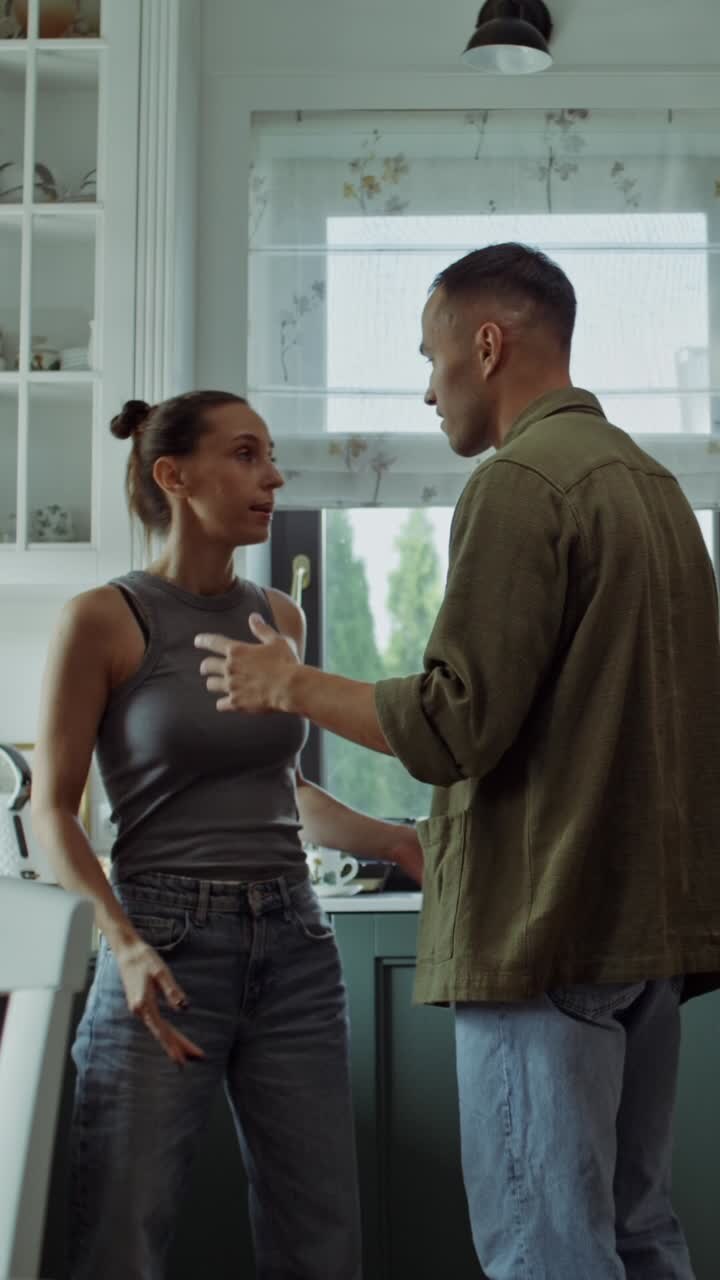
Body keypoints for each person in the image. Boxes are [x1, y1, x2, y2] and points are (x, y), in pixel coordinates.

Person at [194, 244, 720, 1280]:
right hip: (646, 934)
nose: (428, 391)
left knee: (543, 1251)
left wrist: (290, 684)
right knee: (637, 1233)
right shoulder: (654, 487)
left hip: (543, 931)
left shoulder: (520, 482)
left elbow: (454, 723)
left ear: (487, 345)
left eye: (432, 360)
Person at [31, 389, 423, 1280]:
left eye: (271, 455)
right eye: (246, 455)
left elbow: (282, 789)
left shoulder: (280, 620)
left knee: (320, 1241)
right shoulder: (103, 620)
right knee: (123, 1239)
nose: (274, 476)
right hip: (162, 950)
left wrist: (396, 842)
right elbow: (51, 810)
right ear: (173, 475)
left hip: (294, 947)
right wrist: (124, 943)